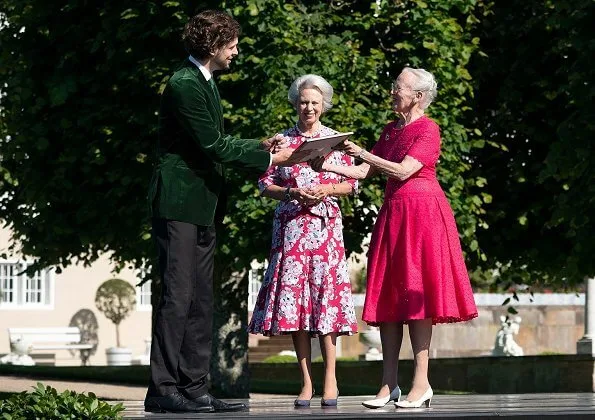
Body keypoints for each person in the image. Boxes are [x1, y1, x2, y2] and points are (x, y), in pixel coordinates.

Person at [145, 10, 303, 414]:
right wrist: (269, 158)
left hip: (203, 205)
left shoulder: (204, 81)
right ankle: (164, 390)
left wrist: (261, 147)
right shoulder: (184, 84)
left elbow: (215, 140)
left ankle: (194, 388)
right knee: (177, 299)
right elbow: (213, 146)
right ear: (213, 46)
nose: (236, 51)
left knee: (200, 300)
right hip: (179, 204)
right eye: (231, 44)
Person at [311, 67, 478, 409]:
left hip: (423, 216)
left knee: (418, 298)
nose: (391, 91)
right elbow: (363, 171)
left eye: (397, 87)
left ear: (418, 96)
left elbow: (403, 169)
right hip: (394, 214)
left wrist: (364, 154)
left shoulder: (428, 129)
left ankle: (421, 383)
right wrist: (324, 165)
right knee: (388, 297)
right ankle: (388, 385)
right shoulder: (390, 131)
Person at [248, 74, 358, 408]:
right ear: (295, 103)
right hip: (292, 231)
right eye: (303, 101)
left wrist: (326, 189)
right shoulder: (282, 141)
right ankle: (306, 383)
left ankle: (330, 381)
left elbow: (352, 185)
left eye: (314, 102)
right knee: (295, 310)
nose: (308, 107)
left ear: (323, 104)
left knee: (325, 307)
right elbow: (264, 183)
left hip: (325, 232)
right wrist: (291, 192)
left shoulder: (335, 140)